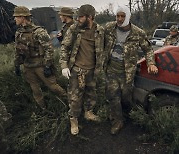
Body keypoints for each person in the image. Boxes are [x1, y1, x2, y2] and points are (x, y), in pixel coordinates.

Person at [104, 5, 158, 135]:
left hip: (127, 72)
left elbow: (148, 49)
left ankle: (127, 114)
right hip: (111, 69)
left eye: (123, 16)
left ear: (128, 17)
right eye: (118, 16)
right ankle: (118, 121)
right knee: (113, 96)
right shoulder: (109, 27)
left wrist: (151, 63)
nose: (120, 19)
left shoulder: (138, 33)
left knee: (125, 97)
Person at [60, 4, 104, 135]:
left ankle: (88, 112)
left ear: (90, 17)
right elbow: (65, 47)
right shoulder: (74, 29)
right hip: (77, 70)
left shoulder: (100, 31)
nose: (78, 19)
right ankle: (73, 120)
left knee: (91, 93)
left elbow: (103, 49)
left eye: (81, 17)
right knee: (75, 98)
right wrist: (64, 65)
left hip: (92, 70)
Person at [13, 6, 66, 112]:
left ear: (23, 17)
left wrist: (47, 65)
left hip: (41, 65)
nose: (15, 19)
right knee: (35, 90)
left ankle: (72, 104)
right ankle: (44, 110)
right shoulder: (19, 33)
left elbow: (49, 49)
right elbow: (18, 51)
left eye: (16, 17)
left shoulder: (39, 32)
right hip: (28, 66)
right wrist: (17, 65)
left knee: (53, 87)